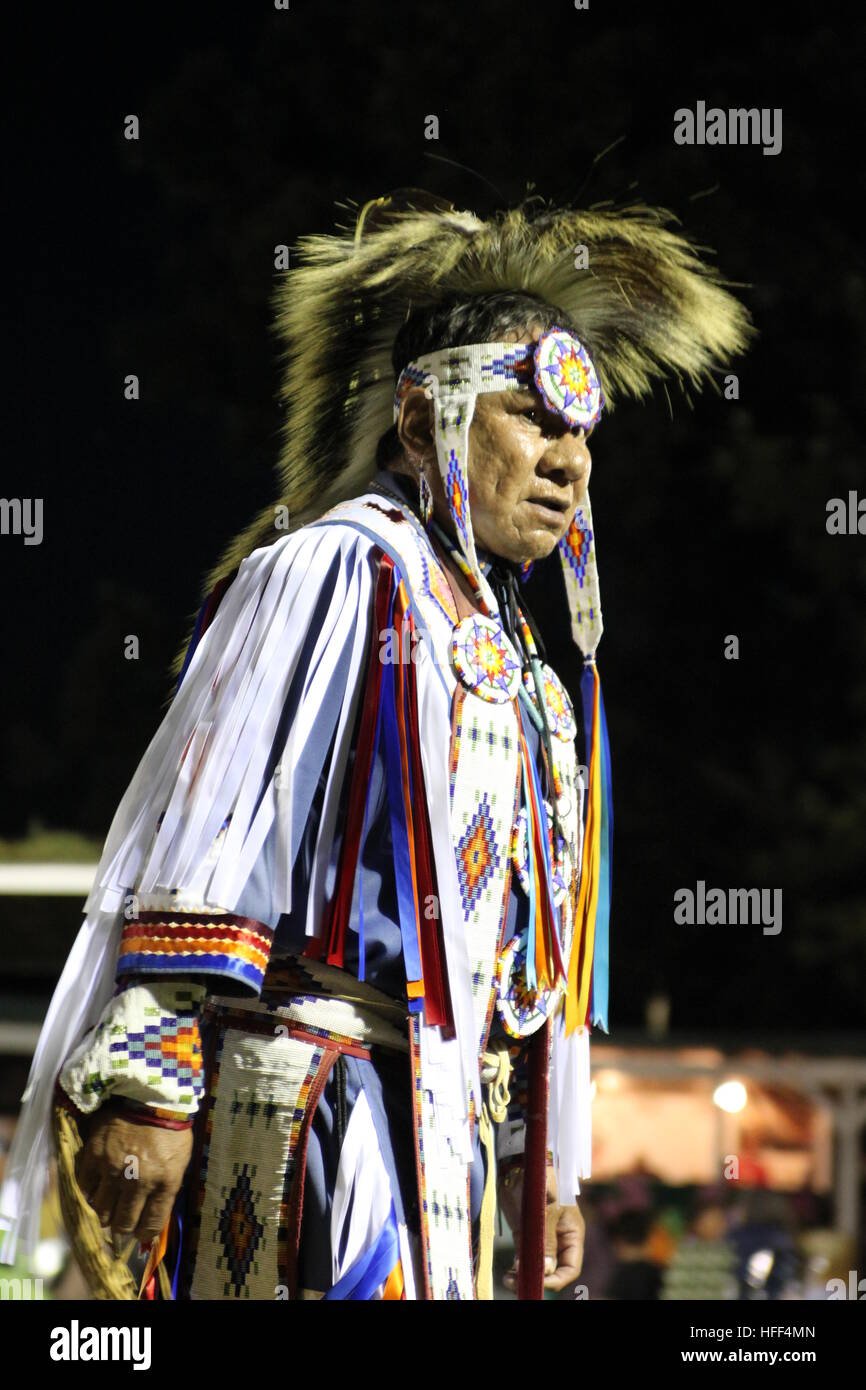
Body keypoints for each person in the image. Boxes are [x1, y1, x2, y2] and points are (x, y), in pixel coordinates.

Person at [0, 190, 752, 1299]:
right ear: (418, 423)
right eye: (532, 417)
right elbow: (217, 825)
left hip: (445, 1128)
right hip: (305, 1101)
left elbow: (529, 948)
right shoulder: (338, 569)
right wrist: (151, 1076)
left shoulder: (522, 662)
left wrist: (554, 1161)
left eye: (581, 434)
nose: (569, 463)